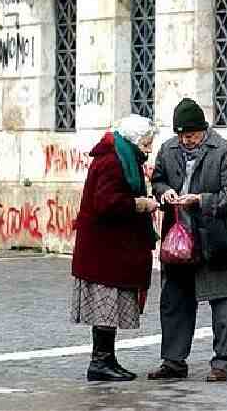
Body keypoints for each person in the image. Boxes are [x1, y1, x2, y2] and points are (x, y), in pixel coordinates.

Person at [148, 97, 227, 382]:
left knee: (223, 301)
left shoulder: (226, 151)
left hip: (216, 238)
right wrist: (163, 192)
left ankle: (224, 361)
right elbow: (158, 180)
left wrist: (200, 200)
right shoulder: (167, 149)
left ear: (202, 130)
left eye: (190, 135)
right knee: (174, 301)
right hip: (178, 238)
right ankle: (174, 361)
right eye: (180, 135)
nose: (185, 141)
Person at [70, 114, 159, 382]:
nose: (148, 149)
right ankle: (100, 362)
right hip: (104, 251)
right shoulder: (112, 161)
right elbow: (106, 202)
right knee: (105, 308)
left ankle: (106, 359)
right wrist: (140, 204)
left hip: (109, 250)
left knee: (107, 309)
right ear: (132, 141)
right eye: (145, 143)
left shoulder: (121, 157)